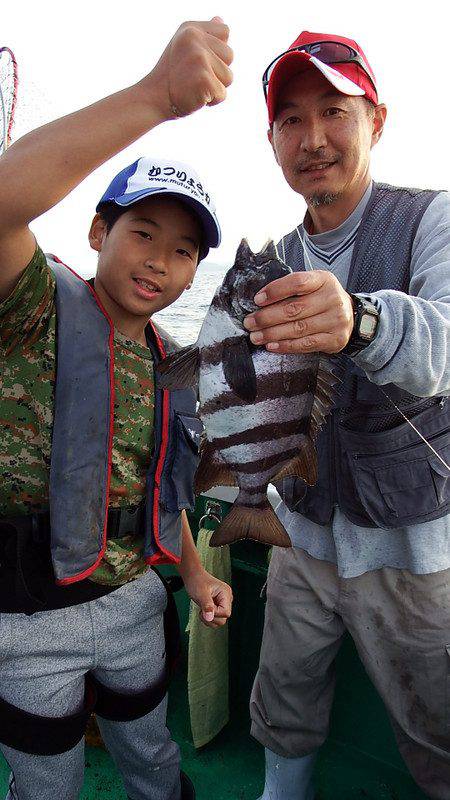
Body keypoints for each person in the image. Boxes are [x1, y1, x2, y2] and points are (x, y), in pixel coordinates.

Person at [0, 18, 233, 800]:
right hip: (29, 621)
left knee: (152, 754)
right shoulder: (35, 307)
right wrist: (153, 97)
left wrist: (196, 577)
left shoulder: (175, 361)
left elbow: (160, 493)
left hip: (138, 603)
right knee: (47, 777)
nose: (159, 261)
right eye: (142, 232)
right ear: (99, 230)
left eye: (183, 251)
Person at [245, 31, 450, 800]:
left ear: (377, 120)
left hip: (410, 541)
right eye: (291, 120)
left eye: (334, 109)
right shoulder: (269, 263)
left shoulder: (433, 217)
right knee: (283, 692)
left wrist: (361, 322)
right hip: (300, 533)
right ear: (271, 140)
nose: (314, 138)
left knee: (436, 721)